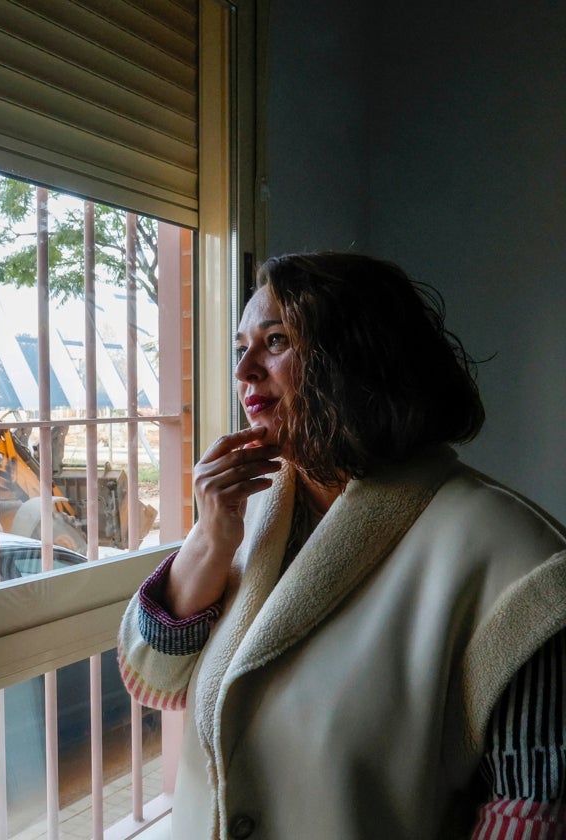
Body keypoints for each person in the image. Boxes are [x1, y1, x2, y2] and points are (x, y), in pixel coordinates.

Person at [118, 252, 566, 839]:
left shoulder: (521, 563)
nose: (245, 369)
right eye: (240, 347)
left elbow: (535, 809)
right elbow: (159, 678)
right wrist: (210, 537)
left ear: (360, 356)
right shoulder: (249, 511)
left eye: (275, 340)